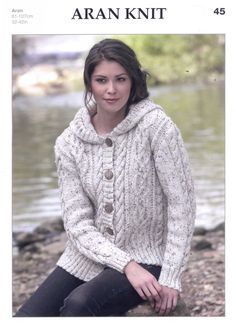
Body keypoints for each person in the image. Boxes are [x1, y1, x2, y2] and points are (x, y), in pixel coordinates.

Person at [15, 38, 196, 317]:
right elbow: (77, 224)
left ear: (133, 81)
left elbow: (182, 204)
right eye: (101, 80)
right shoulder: (69, 143)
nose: (111, 90)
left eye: (120, 79)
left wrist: (171, 277)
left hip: (148, 256)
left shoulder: (157, 128)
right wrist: (126, 265)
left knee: (78, 305)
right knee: (28, 317)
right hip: (88, 257)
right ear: (89, 84)